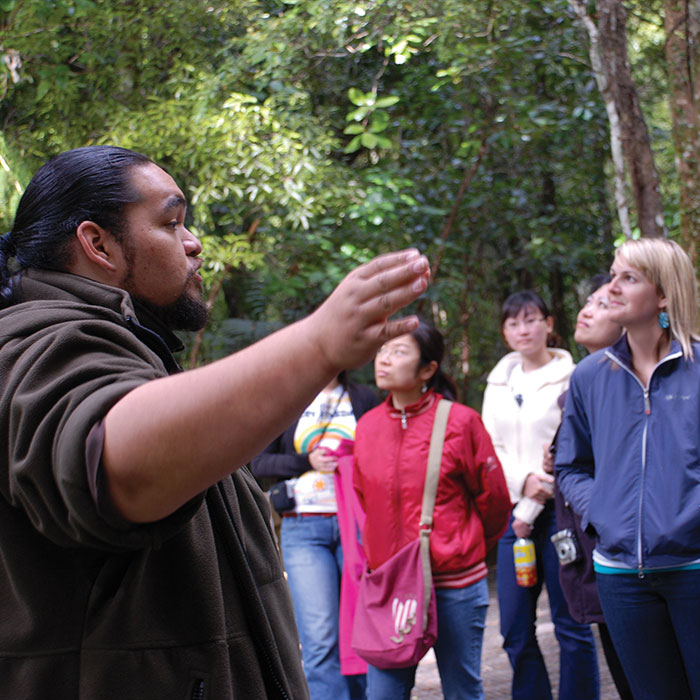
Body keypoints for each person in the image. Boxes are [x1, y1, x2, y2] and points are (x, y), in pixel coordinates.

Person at [0, 145, 431, 699]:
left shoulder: (131, 349)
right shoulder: (35, 341)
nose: (194, 242)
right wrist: (318, 345)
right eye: (171, 222)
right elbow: (110, 462)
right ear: (97, 243)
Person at [556, 238, 700, 700]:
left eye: (629, 278)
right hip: (620, 577)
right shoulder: (590, 376)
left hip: (693, 569)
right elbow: (570, 466)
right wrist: (604, 511)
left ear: (664, 295)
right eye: (613, 274)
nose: (611, 287)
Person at [353, 321, 511, 700]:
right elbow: (365, 499)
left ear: (428, 369)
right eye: (382, 350)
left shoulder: (461, 422)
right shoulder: (368, 427)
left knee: (462, 690)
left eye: (399, 352)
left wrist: (460, 545)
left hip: (454, 584)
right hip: (391, 587)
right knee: (384, 694)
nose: (384, 359)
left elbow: (495, 502)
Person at [481, 290, 599, 700]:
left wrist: (534, 498)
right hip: (512, 515)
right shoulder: (498, 380)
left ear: (549, 324)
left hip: (560, 513)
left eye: (531, 320)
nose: (523, 330)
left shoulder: (574, 376)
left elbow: (573, 449)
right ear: (504, 332)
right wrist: (522, 483)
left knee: (572, 625)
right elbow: (490, 446)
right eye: (513, 323)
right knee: (514, 628)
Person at [251, 371, 378, 700]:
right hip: (304, 527)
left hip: (357, 527)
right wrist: (306, 461)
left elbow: (381, 457)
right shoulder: (289, 400)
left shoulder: (364, 398)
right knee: (320, 639)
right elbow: (258, 463)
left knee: (362, 631)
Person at [544, 276, 632, 699]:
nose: (586, 311)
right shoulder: (582, 384)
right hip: (598, 549)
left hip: (631, 553)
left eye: (601, 304)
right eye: (589, 302)